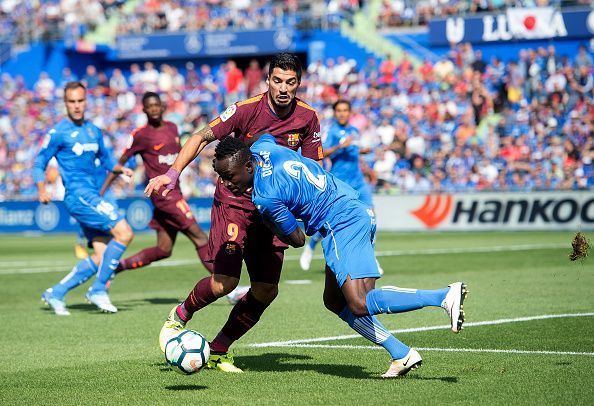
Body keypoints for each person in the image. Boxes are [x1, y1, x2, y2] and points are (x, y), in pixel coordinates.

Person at [211, 134, 468, 378]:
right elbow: (264, 133)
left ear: (248, 166)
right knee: (335, 301)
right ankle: (401, 354)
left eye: (229, 176)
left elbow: (298, 240)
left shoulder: (266, 197)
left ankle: (443, 296)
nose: (225, 183)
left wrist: (268, 220)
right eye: (221, 176)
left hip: (339, 220)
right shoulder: (262, 149)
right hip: (352, 208)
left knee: (359, 302)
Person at [146, 53, 322, 373]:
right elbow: (201, 136)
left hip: (273, 211)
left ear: (299, 84)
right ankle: (177, 319)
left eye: (291, 82)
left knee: (266, 290)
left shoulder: (308, 118)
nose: (283, 88)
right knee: (225, 282)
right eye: (278, 81)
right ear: (267, 81)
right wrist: (172, 175)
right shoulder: (245, 110)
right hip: (235, 205)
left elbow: (313, 170)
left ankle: (218, 350)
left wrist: (313, 213)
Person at [35, 81, 134, 315]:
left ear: (86, 101)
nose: (77, 106)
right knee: (125, 233)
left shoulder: (93, 130)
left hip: (92, 193)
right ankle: (99, 289)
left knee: (101, 257)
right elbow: (39, 163)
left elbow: (107, 160)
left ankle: (56, 293)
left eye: (80, 100)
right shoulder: (58, 132)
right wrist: (41, 189)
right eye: (72, 101)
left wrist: (120, 169)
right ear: (65, 103)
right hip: (77, 195)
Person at [101, 92, 212, 276]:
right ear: (143, 110)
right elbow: (119, 163)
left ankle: (116, 268)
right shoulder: (141, 135)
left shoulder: (172, 128)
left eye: (156, 105)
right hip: (164, 197)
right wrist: (103, 191)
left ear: (162, 107)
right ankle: (227, 288)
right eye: (149, 106)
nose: (153, 109)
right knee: (200, 238)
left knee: (163, 249)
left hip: (175, 192)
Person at [299, 99, 382, 274]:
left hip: (358, 181)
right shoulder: (332, 132)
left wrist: (361, 151)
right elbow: (322, 151)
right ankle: (311, 246)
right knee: (332, 221)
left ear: (350, 112)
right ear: (335, 113)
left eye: (345, 110)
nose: (342, 113)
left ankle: (370, 258)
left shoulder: (354, 131)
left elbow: (352, 151)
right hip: (340, 182)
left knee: (370, 217)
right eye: (339, 110)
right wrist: (339, 146)